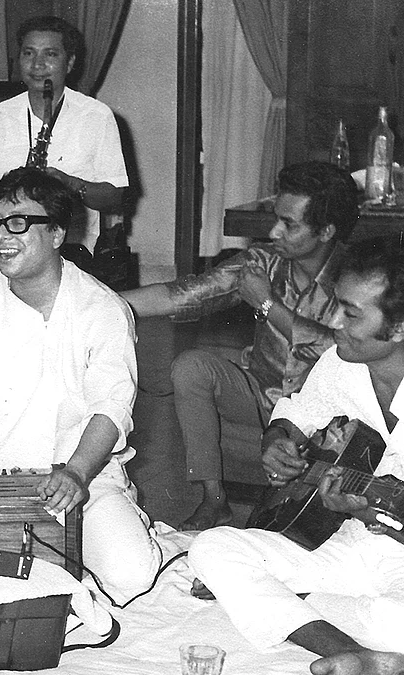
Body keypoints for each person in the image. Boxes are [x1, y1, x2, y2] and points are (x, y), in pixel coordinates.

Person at [0, 167, 162, 605]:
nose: (2, 236)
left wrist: (76, 471)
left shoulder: (101, 308)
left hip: (78, 478)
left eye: (19, 223)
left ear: (56, 233)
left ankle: (116, 520)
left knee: (131, 578)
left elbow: (112, 407)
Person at [189, 238, 404, 675]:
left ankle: (293, 607)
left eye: (351, 314)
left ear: (401, 328)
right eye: (336, 305)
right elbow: (295, 415)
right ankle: (351, 652)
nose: (332, 322)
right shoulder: (340, 362)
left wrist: (370, 513)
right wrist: (275, 441)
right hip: (348, 548)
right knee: (213, 547)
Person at [121, 161, 358, 530]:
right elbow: (184, 294)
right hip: (261, 394)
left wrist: (267, 305)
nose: (274, 230)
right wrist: (98, 300)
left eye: (289, 224)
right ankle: (214, 501)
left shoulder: (355, 278)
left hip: (323, 415)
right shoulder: (262, 262)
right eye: (276, 217)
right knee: (192, 366)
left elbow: (342, 348)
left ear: (326, 230)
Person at [0, 16, 128, 255]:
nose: (37, 65)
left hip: (67, 247)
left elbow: (114, 197)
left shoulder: (97, 116)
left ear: (69, 64)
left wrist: (69, 183)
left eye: (50, 54)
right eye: (28, 53)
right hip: (0, 243)